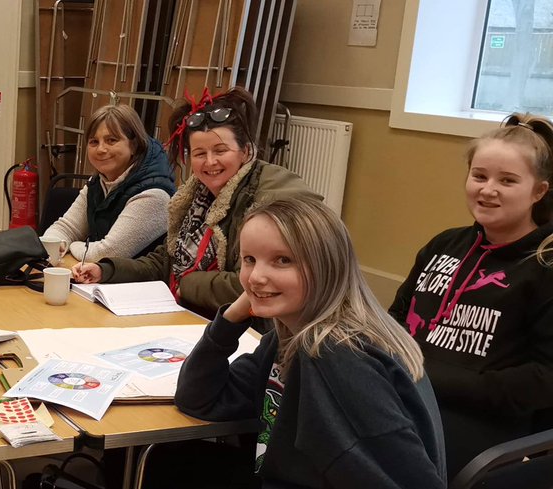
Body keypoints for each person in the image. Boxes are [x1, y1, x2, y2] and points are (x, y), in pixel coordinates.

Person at [175, 196, 446, 488]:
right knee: (173, 460)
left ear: (326, 267)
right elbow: (199, 399)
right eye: (249, 260)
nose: (256, 277)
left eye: (282, 260)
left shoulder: (336, 356)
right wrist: (231, 318)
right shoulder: (288, 337)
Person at [389, 113, 553, 478]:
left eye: (507, 180)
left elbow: (544, 378)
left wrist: (434, 378)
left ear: (539, 191)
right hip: (404, 392)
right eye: (480, 176)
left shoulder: (545, 265)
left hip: (478, 420)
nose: (488, 190)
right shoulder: (444, 244)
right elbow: (395, 318)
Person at [73, 87, 319, 319]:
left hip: (263, 327)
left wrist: (187, 284)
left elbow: (256, 281)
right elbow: (168, 261)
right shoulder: (198, 197)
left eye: (220, 151)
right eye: (200, 154)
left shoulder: (268, 202)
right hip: (203, 315)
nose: (210, 162)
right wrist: (106, 270)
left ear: (245, 151)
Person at [41, 104, 176, 261]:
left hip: (134, 277)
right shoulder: (98, 182)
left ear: (134, 145)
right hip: (101, 275)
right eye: (94, 142)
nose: (101, 149)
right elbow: (65, 228)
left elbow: (106, 254)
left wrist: (72, 245)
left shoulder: (154, 195)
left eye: (111, 140)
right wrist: (58, 244)